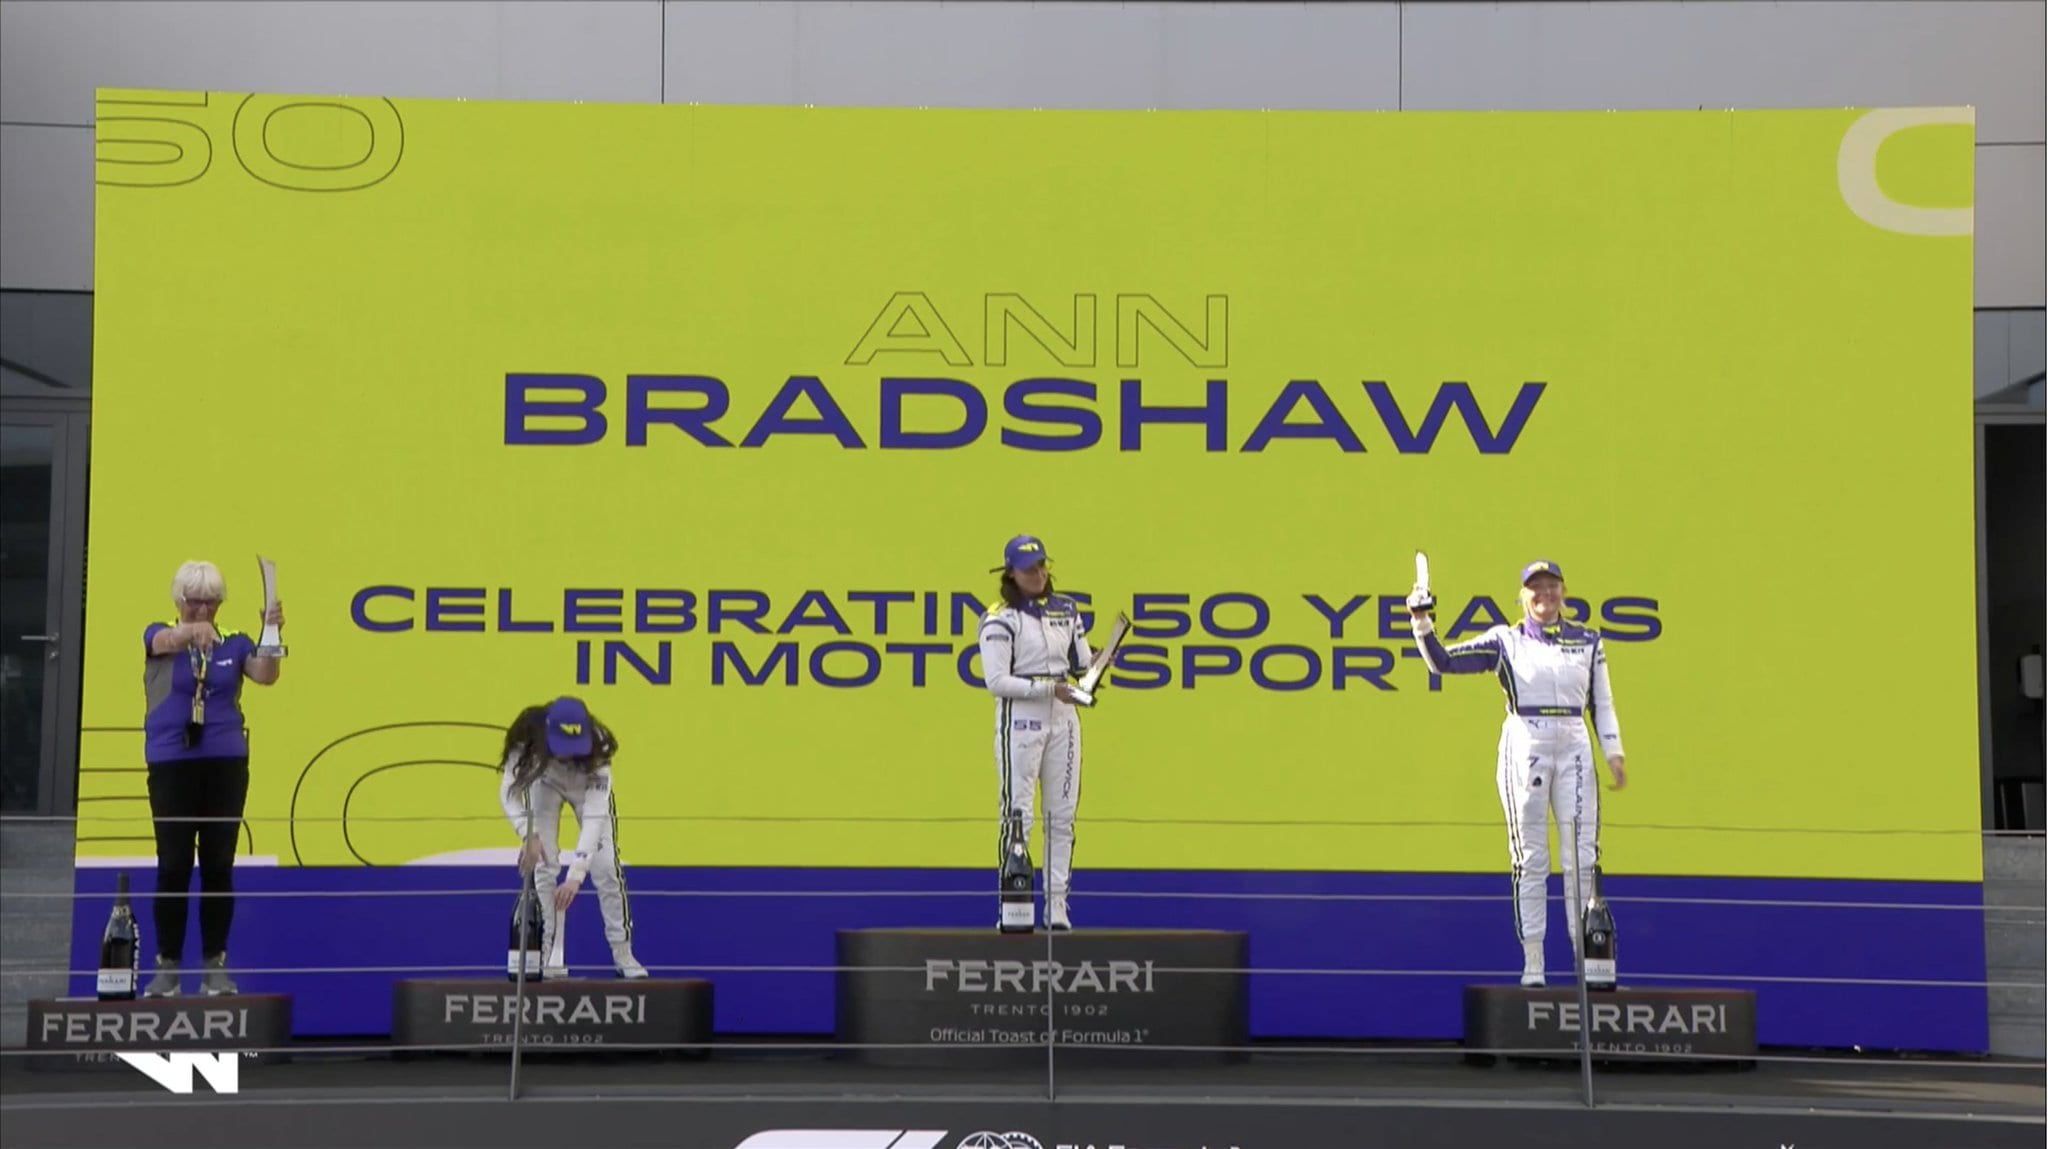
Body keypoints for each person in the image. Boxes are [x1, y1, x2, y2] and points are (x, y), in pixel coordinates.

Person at [1408, 560, 1628, 987]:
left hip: (1575, 742)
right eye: (1535, 587)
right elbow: (1443, 662)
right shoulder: (1505, 640)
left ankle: (1587, 965)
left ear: (1564, 591)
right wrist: (1421, 621)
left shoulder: (1588, 640)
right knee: (1530, 857)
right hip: (1526, 741)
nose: (1544, 594)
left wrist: (1613, 750)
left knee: (1582, 856)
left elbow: (1601, 702)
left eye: (1552, 585)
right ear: (1523, 596)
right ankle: (1534, 964)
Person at [140, 560, 285, 997]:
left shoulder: (234, 642)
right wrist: (190, 632)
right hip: (172, 762)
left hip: (226, 761)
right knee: (174, 863)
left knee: (219, 865)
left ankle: (214, 965)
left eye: (212, 602)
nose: (203, 610)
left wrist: (271, 633)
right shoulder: (159, 633)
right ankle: (167, 966)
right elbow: (163, 641)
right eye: (195, 601)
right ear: (178, 600)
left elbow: (266, 675)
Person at [977, 534, 1092, 931]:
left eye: (1042, 566)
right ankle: (1012, 909)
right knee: (1018, 816)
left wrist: (1100, 663)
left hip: (1064, 718)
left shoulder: (1067, 609)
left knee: (1062, 816)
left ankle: (1057, 907)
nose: (1039, 574)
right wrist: (1048, 689)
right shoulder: (999, 618)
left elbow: (1081, 663)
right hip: (1021, 720)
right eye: (1029, 569)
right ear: (1011, 573)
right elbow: (996, 681)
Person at [498, 696, 646, 978]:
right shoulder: (527, 738)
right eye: (561, 748)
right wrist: (528, 833)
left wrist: (576, 876)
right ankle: (542, 955)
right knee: (544, 864)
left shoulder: (599, 749)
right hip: (545, 784)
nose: (566, 756)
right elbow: (508, 792)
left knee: (605, 867)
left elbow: (594, 817)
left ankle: (623, 953)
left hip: (585, 789)